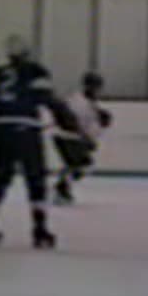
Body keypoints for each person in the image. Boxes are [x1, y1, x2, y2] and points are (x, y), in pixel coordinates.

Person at [0, 35, 79, 249]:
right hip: (27, 130)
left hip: (1, 129)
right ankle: (40, 230)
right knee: (36, 179)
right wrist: (66, 120)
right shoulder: (36, 71)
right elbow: (48, 98)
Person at [52, 72, 112, 206]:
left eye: (98, 87)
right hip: (66, 137)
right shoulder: (77, 101)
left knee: (79, 165)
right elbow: (73, 122)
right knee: (82, 164)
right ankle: (61, 189)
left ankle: (62, 189)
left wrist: (94, 133)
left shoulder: (90, 103)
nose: (97, 90)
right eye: (94, 86)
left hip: (71, 138)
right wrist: (88, 139)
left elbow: (88, 124)